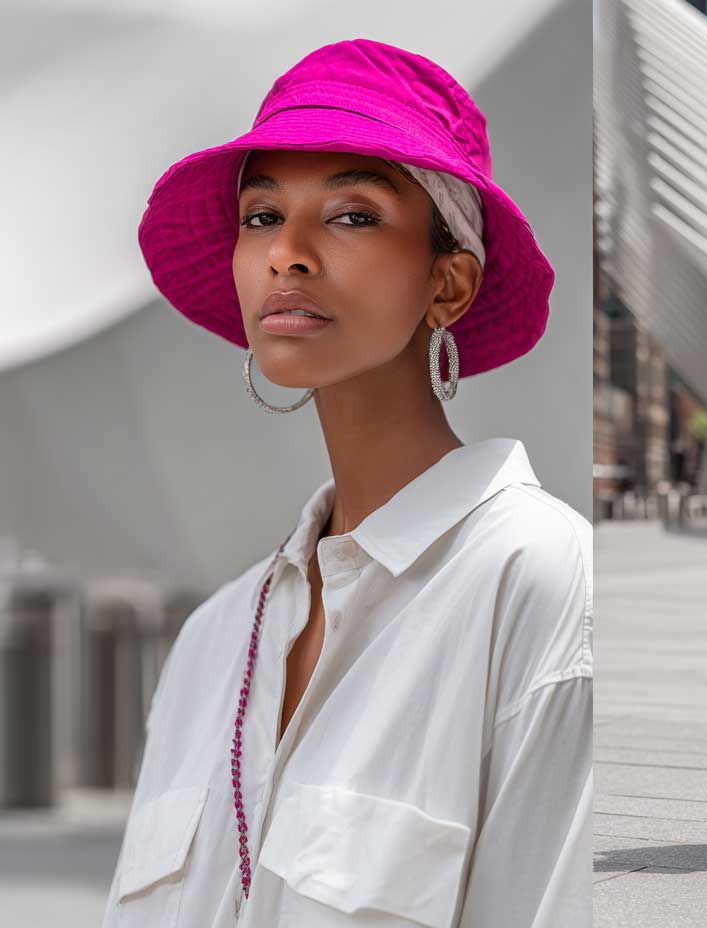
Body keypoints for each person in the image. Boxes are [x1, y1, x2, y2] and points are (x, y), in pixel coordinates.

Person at [101, 39, 593, 927]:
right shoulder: (213, 640)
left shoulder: (537, 578)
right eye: (260, 216)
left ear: (448, 282)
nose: (286, 253)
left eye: (353, 215)